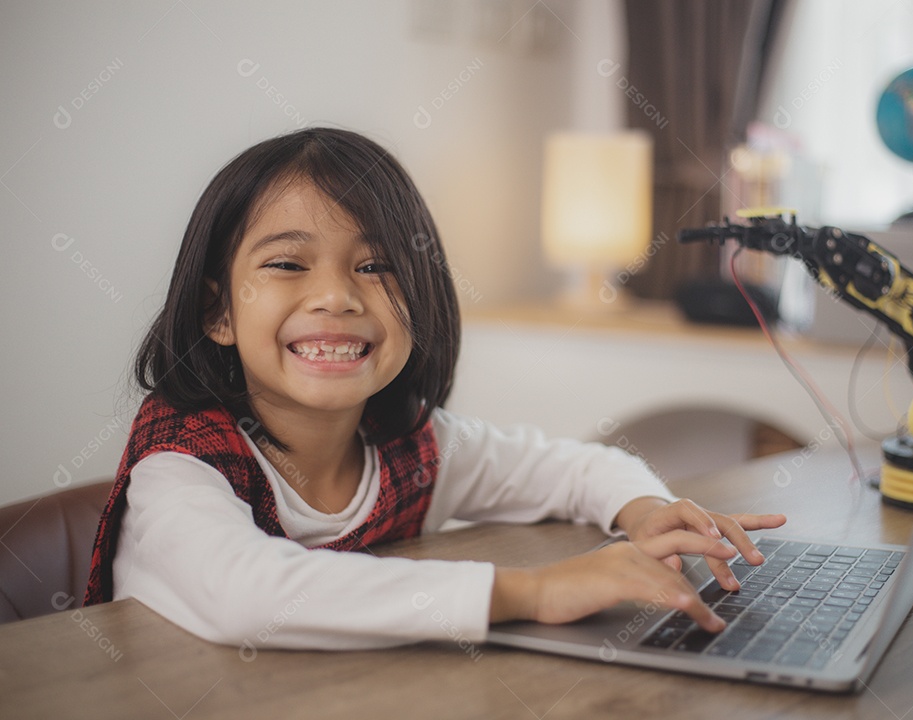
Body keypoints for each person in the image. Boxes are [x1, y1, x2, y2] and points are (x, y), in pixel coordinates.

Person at [83, 127, 786, 651]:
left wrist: (644, 508)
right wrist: (533, 590)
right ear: (218, 312)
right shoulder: (179, 467)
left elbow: (572, 466)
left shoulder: (412, 444)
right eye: (289, 263)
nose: (335, 296)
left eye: (377, 266)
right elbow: (249, 596)